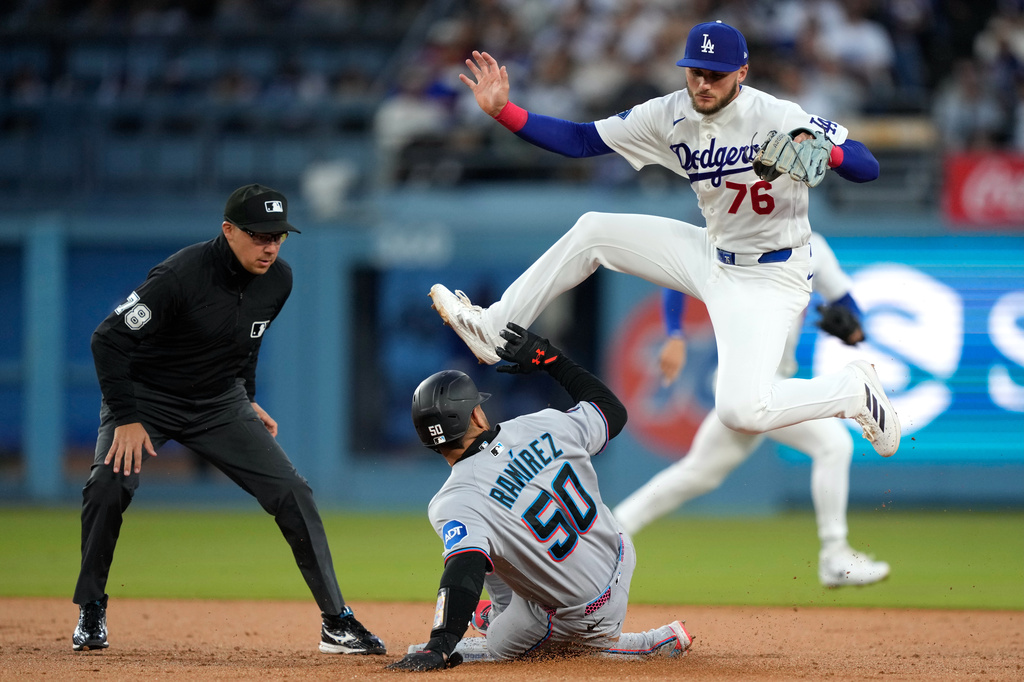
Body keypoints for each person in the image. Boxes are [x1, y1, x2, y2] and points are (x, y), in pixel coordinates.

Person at [429, 20, 900, 463]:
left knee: (742, 411)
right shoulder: (669, 113)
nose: (703, 85)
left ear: (742, 72)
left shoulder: (779, 115)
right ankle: (495, 329)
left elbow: (869, 166)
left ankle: (852, 391)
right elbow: (582, 141)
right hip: (711, 255)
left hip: (772, 274)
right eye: (696, 72)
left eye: (716, 76)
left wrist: (830, 153)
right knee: (595, 230)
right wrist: (505, 113)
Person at [71, 184, 385, 656]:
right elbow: (106, 340)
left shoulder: (279, 279)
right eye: (259, 235)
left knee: (293, 493)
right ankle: (90, 609)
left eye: (278, 236)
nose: (270, 246)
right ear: (229, 230)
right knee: (107, 486)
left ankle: (336, 622)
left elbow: (247, 341)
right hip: (146, 399)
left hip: (219, 403)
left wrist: (247, 396)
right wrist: (127, 417)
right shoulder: (180, 275)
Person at [387, 323, 691, 671]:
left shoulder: (454, 499)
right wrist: (551, 360)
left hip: (581, 613)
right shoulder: (545, 423)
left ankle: (645, 644)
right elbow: (612, 411)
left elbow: (464, 567)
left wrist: (439, 645)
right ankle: (505, 614)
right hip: (619, 553)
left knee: (497, 642)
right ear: (475, 413)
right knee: (489, 535)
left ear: (429, 441)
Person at [613, 232, 890, 587]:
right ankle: (835, 555)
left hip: (770, 383)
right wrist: (676, 335)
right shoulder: (739, 236)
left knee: (699, 473)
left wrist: (852, 325)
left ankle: (615, 529)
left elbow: (847, 301)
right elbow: (676, 275)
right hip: (744, 382)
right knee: (833, 445)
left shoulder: (814, 248)